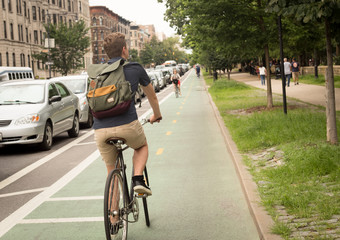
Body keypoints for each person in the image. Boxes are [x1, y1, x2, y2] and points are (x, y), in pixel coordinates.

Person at [92, 33, 162, 196]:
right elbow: (152, 96)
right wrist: (156, 115)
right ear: (124, 49)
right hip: (128, 126)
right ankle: (138, 178)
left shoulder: (97, 72)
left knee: (112, 173)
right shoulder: (134, 68)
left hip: (100, 130)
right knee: (141, 146)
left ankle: (114, 216)